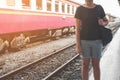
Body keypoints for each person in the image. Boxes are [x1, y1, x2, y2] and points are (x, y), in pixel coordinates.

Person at [74, 0, 108, 80]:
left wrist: (103, 23)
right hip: (84, 41)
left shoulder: (99, 8)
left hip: (97, 41)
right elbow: (77, 29)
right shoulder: (80, 9)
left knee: (96, 65)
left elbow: (106, 20)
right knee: (85, 65)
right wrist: (78, 45)